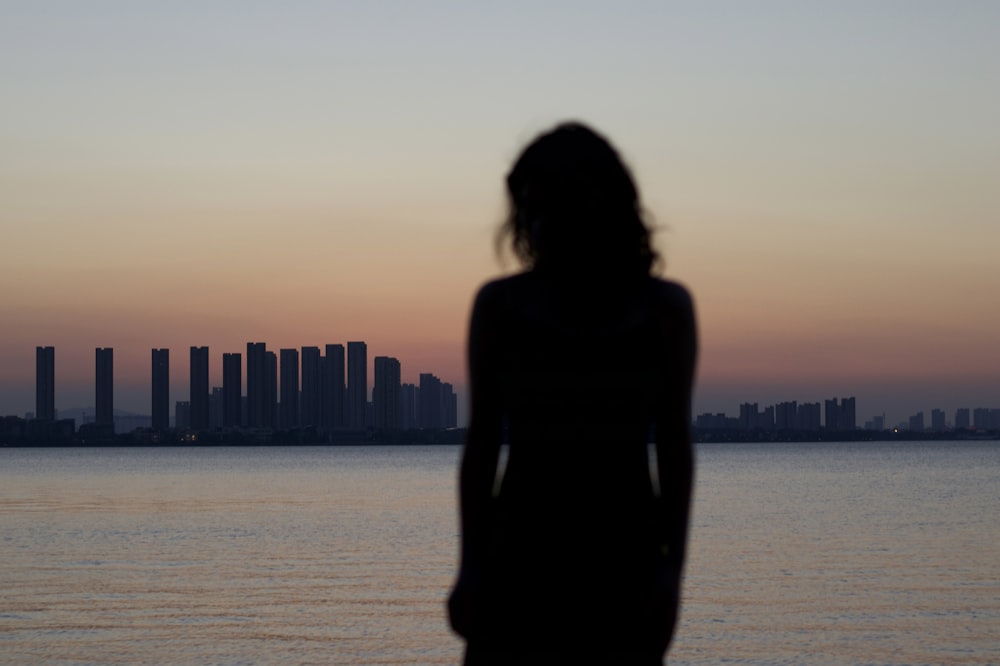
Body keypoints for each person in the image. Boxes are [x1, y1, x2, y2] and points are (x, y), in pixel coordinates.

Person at [448, 122, 697, 665]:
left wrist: (671, 574)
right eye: (528, 208)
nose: (538, 223)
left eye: (551, 205)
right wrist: (469, 567)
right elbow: (482, 445)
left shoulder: (663, 311)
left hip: (625, 557)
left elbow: (676, 450)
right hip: (517, 557)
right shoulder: (501, 307)